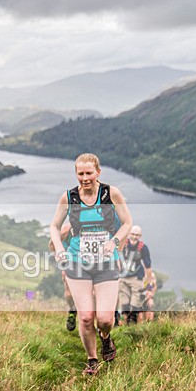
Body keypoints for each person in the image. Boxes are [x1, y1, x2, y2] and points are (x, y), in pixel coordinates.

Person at [49, 153, 132, 376]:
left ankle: (106, 337)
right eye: (80, 173)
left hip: (106, 262)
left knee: (104, 319)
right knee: (86, 317)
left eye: (89, 173)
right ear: (76, 174)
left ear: (98, 172)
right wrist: (59, 248)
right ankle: (92, 360)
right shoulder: (68, 197)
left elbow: (127, 223)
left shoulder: (110, 193)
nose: (85, 178)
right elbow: (54, 226)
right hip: (77, 261)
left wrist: (113, 242)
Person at [118, 225, 154, 325]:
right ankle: (122, 328)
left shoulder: (143, 248)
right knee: (124, 305)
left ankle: (133, 328)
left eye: (137, 235)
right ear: (129, 234)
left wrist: (149, 286)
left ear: (140, 236)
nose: (134, 237)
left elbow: (148, 267)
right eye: (133, 234)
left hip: (136, 279)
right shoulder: (122, 244)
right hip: (123, 278)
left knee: (135, 306)